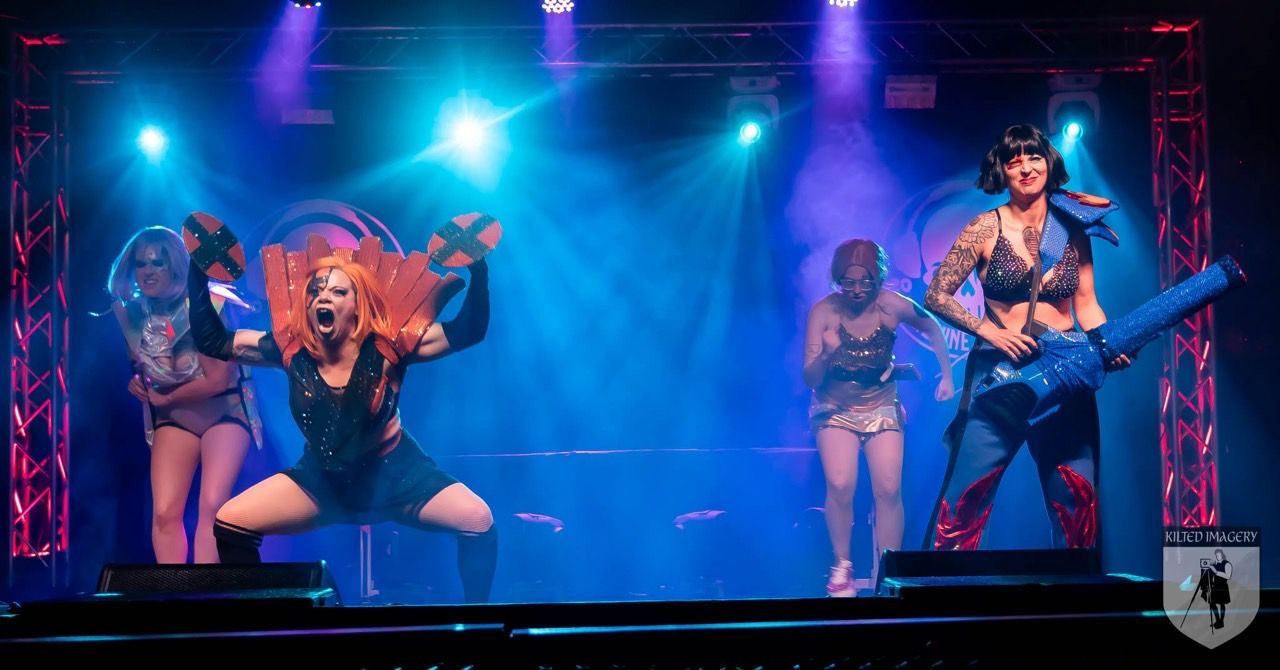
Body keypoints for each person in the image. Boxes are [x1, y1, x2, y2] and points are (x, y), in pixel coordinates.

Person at [185, 221, 498, 603]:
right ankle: (260, 626)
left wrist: (477, 268)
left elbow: (469, 330)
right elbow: (215, 341)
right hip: (323, 482)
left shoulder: (391, 348)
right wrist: (198, 271)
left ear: (356, 304)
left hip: (397, 478)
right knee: (232, 522)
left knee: (479, 520)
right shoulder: (291, 352)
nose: (323, 298)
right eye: (316, 291)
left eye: (337, 291)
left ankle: (481, 626)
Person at [922, 123, 1131, 551]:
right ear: (1001, 170)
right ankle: (939, 605)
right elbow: (936, 294)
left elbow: (1087, 303)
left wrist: (1105, 346)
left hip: (1066, 373)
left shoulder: (1072, 228)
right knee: (964, 499)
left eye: (1033, 156)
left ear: (1048, 162)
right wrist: (987, 331)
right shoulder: (983, 228)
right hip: (998, 373)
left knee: (1075, 498)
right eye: (1014, 160)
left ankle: (1080, 607)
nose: (1025, 167)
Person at [804, 239, 955, 597]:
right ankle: (842, 566)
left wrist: (947, 376)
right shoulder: (824, 313)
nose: (856, 290)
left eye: (864, 282)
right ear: (838, 279)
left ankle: (890, 567)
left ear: (877, 279)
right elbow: (808, 378)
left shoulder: (892, 306)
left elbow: (932, 326)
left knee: (888, 488)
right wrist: (827, 354)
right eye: (848, 282)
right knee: (841, 485)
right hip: (834, 410)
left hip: (882, 405)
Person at [106, 227, 255, 563]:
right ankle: (176, 598)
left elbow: (218, 379)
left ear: (175, 265)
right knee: (164, 513)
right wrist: (139, 382)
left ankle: (207, 598)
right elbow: (148, 365)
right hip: (176, 422)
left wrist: (166, 399)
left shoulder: (209, 302)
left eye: (158, 263)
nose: (147, 271)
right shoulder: (130, 313)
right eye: (141, 263)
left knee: (213, 506)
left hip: (224, 414)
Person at [1206, 549, 1232, 629]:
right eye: (1216, 555)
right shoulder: (1215, 564)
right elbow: (1211, 574)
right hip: (1215, 586)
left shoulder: (1227, 564)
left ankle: (1221, 622)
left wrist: (1216, 571)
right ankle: (1218, 621)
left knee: (1222, 604)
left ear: (1222, 555)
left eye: (1219, 555)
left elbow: (1228, 576)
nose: (1218, 557)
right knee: (1212, 603)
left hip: (1223, 586)